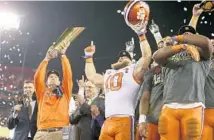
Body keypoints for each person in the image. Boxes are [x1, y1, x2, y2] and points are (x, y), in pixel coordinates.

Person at [84, 4, 151, 140]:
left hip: (125, 119)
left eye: (125, 56)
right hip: (108, 121)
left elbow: (146, 57)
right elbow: (91, 76)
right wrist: (89, 57)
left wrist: (141, 34)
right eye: (120, 56)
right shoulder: (109, 73)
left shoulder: (134, 71)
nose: (121, 57)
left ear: (131, 60)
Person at [153, 22, 212, 139]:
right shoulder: (171, 53)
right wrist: (182, 46)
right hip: (169, 106)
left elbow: (206, 43)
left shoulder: (203, 55)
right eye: (184, 34)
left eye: (190, 35)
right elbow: (156, 56)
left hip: (193, 105)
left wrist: (177, 37)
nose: (187, 35)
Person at [33, 45, 72, 140]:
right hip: (41, 133)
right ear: (46, 82)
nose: (53, 77)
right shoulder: (41, 92)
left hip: (59, 132)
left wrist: (63, 55)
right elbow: (37, 78)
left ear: (59, 82)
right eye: (50, 77)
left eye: (55, 77)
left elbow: (68, 75)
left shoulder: (65, 92)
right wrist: (46, 59)